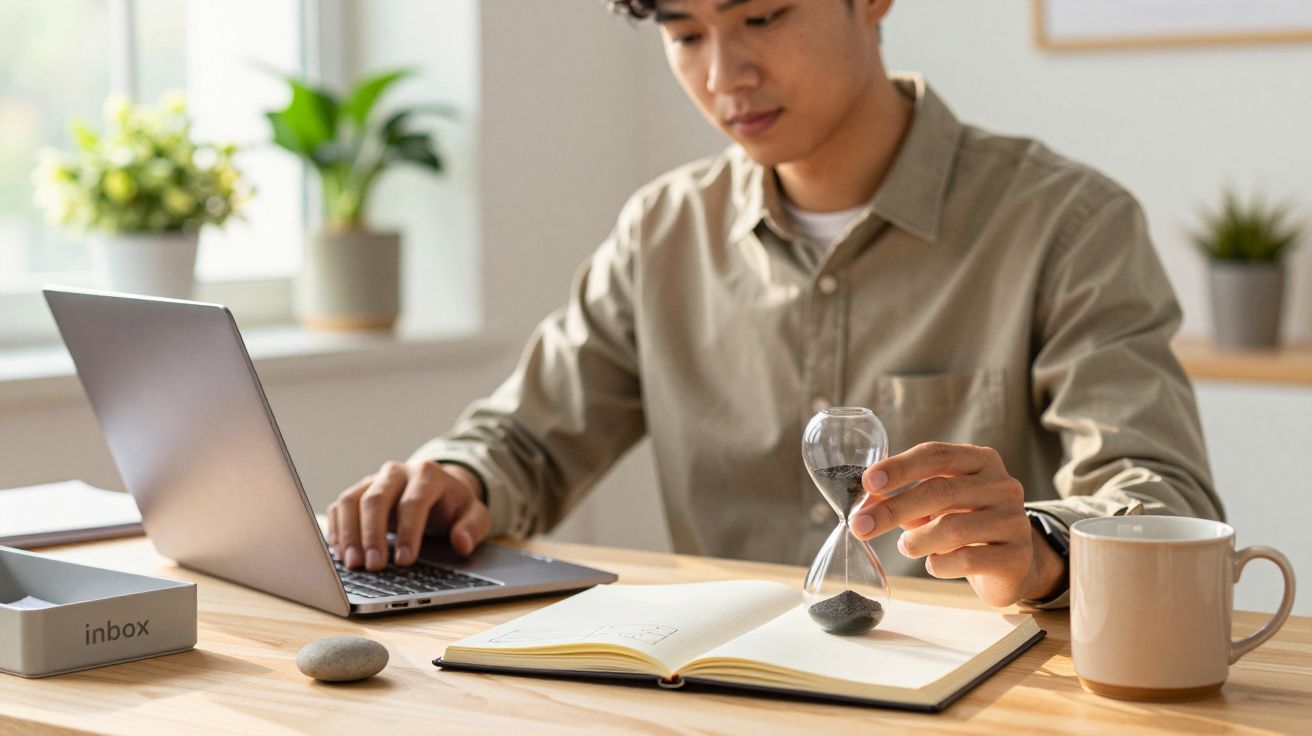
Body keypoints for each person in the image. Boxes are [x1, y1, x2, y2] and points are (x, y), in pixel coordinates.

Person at [327, 0, 1222, 609]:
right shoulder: (663, 231)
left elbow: (1161, 498)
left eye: (761, 15)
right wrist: (456, 481)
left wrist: (1040, 546)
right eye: (684, 34)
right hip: (722, 697)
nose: (726, 74)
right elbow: (525, 439)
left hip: (982, 703)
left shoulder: (1067, 223)